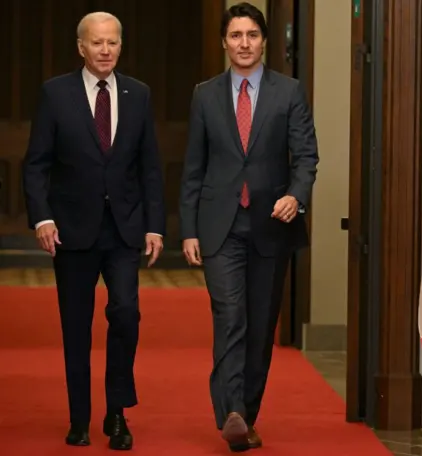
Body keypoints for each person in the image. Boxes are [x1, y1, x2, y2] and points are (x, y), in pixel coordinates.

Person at [22, 11, 165, 451]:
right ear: (81, 47)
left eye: (113, 43)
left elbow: (151, 168)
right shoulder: (55, 93)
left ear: (121, 46)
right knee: (76, 328)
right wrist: (43, 218)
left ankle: (117, 415)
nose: (106, 50)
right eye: (97, 43)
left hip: (124, 231)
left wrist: (155, 227)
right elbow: (36, 163)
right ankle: (79, 418)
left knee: (125, 314)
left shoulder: (137, 94)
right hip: (73, 231)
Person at [179, 2, 319, 452]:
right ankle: (232, 413)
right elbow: (193, 168)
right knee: (230, 316)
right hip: (219, 225)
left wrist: (296, 196)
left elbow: (307, 156)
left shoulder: (290, 91)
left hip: (270, 227)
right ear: (225, 42)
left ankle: (246, 415)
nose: (244, 43)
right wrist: (189, 230)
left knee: (260, 327)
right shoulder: (205, 94)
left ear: (263, 41)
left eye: (252, 35)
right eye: (236, 35)